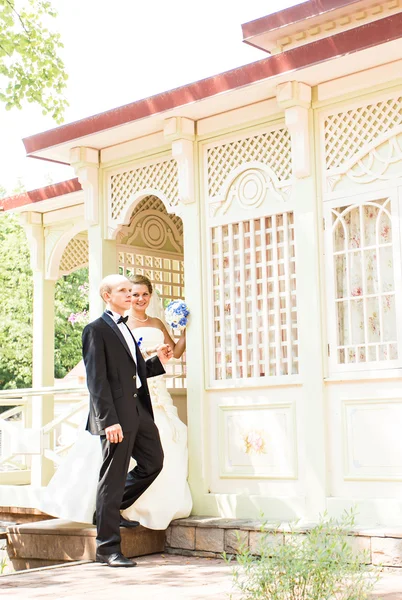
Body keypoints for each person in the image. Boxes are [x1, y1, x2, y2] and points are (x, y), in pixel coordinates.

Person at [82, 274, 172, 568]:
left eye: (132, 291)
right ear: (107, 295)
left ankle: (109, 509)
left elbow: (132, 371)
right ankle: (107, 548)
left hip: (138, 411)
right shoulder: (95, 330)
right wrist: (108, 421)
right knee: (113, 475)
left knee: (153, 462)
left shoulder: (125, 327)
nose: (131, 295)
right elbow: (97, 381)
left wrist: (158, 361)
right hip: (115, 417)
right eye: (124, 291)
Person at [121, 274, 192, 528]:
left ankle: (167, 504)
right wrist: (151, 353)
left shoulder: (157, 322)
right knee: (153, 443)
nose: (140, 299)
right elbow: (127, 359)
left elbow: (175, 352)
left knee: (175, 437)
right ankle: (131, 505)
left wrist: (186, 329)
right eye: (135, 294)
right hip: (139, 392)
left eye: (144, 294)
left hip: (160, 390)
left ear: (151, 296)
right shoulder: (123, 324)